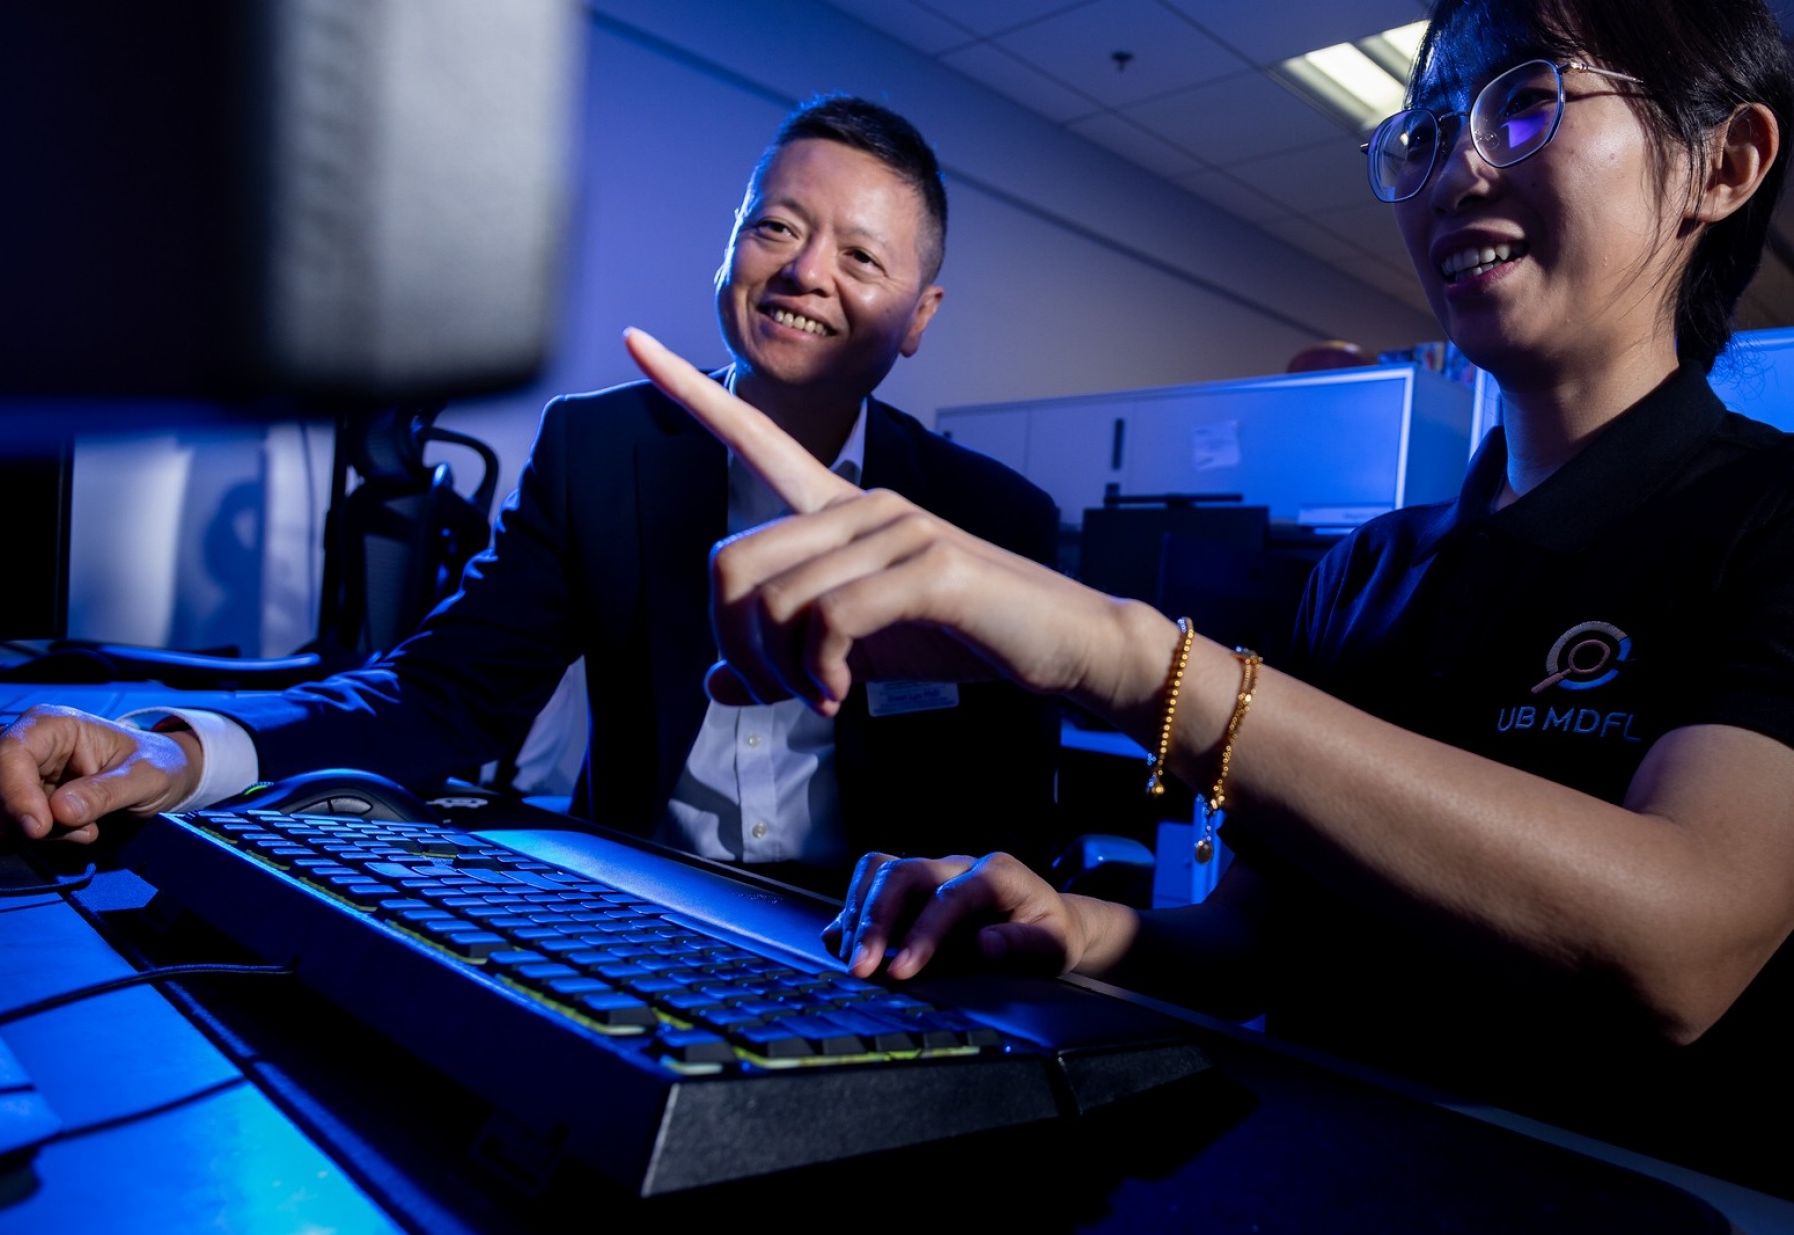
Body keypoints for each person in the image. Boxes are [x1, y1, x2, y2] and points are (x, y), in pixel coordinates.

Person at [617, 0, 1794, 1196]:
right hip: (1319, 1176)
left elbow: (1686, 943)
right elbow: (1245, 938)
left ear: (1725, 162)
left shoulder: (1765, 516)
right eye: (1428, 130)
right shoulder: (1367, 571)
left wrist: (1128, 655)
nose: (1456, 171)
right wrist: (1070, 926)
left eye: (1527, 101)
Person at [0, 95, 1066, 898]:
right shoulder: (598, 450)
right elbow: (440, 691)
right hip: (639, 914)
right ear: (731, 247)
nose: (805, 270)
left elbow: (1031, 812)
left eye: (861, 257)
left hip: (877, 953)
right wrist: (178, 750)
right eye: (776, 225)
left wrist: (1032, 910)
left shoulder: (993, 520)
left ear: (918, 317)